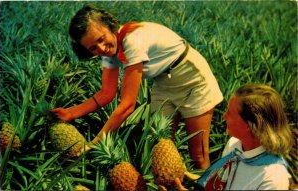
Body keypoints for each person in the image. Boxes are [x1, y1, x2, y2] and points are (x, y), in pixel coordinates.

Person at [50, 4, 223, 169]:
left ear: (110, 27)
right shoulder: (110, 51)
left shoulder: (132, 41)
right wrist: (71, 113)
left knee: (198, 154)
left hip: (192, 80)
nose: (102, 48)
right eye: (93, 48)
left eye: (101, 39)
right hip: (163, 84)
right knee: (159, 148)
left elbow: (127, 106)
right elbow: (106, 93)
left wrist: (94, 143)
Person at [197, 84, 293, 190]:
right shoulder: (234, 145)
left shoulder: (273, 179)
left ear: (250, 125)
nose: (224, 117)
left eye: (230, 113)